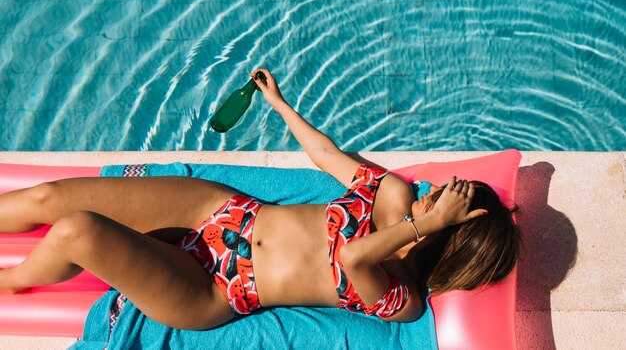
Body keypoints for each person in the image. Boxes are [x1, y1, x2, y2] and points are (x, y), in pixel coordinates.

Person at [0, 69, 520, 329]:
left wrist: (422, 228)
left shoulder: (403, 299)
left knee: (79, 231)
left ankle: (10, 283)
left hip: (216, 289)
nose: (438, 191)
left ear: (453, 237)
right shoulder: (394, 192)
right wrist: (279, 104)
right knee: (50, 198)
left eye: (451, 199)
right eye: (451, 186)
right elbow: (328, 154)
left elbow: (352, 256)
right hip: (222, 213)